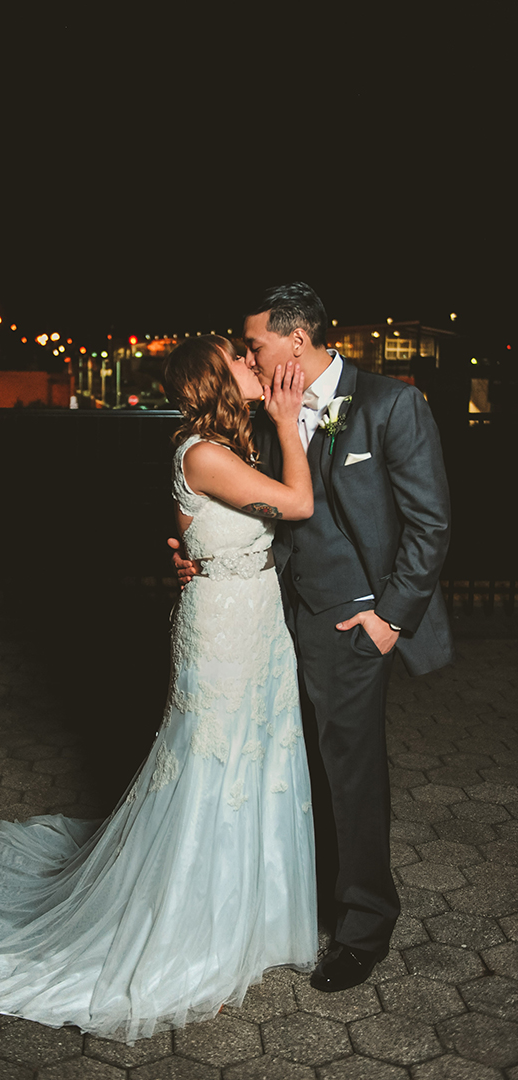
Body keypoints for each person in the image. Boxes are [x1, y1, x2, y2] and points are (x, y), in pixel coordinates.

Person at [0, 335, 318, 1045]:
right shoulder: (204, 453)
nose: (252, 365)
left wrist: (194, 551)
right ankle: (192, 937)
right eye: (240, 359)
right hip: (226, 631)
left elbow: (209, 531)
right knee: (213, 769)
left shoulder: (220, 448)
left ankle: (249, 919)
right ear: (215, 378)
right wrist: (291, 418)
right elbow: (296, 504)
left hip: (253, 619)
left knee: (255, 760)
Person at [172, 283, 454, 993]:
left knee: (349, 772)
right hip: (269, 618)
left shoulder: (391, 404)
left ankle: (361, 927)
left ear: (294, 340)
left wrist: (389, 616)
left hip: (350, 623)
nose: (248, 355)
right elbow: (233, 496)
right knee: (287, 766)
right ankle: (293, 902)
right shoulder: (266, 414)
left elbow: (430, 525)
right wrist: (197, 548)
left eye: (254, 345)